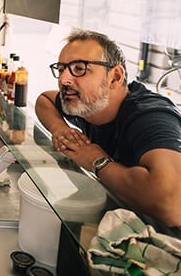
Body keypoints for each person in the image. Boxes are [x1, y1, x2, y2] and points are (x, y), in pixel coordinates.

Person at [35, 30, 181, 227]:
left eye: (79, 68)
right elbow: (44, 99)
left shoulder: (150, 117)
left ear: (115, 77)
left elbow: (171, 205)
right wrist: (60, 129)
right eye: (61, 70)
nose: (64, 80)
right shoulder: (89, 106)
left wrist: (97, 162)